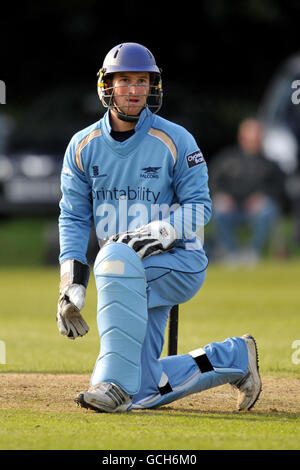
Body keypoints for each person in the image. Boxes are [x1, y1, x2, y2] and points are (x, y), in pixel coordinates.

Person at [56, 42, 262, 413]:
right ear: (107, 86)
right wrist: (71, 283)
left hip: (178, 260)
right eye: (124, 81)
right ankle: (232, 356)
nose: (134, 90)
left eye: (142, 81)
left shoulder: (176, 139)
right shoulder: (82, 145)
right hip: (121, 269)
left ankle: (111, 383)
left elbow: (200, 207)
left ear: (153, 87)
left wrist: (158, 233)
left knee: (116, 265)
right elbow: (72, 216)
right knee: (146, 389)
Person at [209, 118, 285, 264]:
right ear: (242, 138)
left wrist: (264, 197)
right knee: (218, 209)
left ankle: (253, 254)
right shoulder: (226, 158)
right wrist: (221, 196)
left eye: (257, 137)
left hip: (256, 209)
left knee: (267, 209)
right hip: (231, 208)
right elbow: (213, 182)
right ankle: (231, 254)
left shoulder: (270, 163)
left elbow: (279, 188)